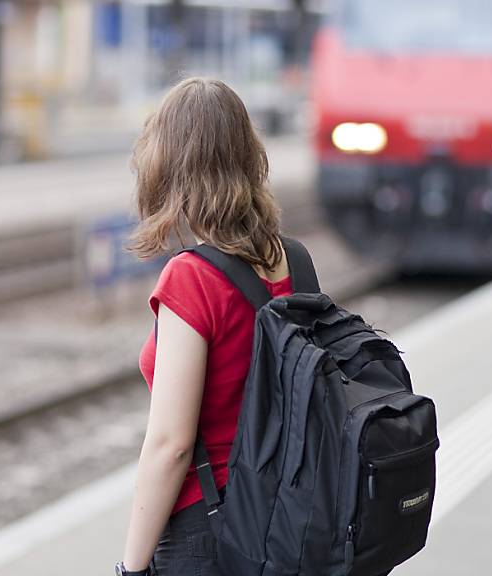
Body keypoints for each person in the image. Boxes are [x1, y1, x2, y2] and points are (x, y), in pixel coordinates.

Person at [118, 78, 293, 576]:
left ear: (170, 165)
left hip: (209, 530)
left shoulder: (191, 278)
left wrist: (131, 567)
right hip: (283, 516)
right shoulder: (291, 261)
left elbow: (171, 446)